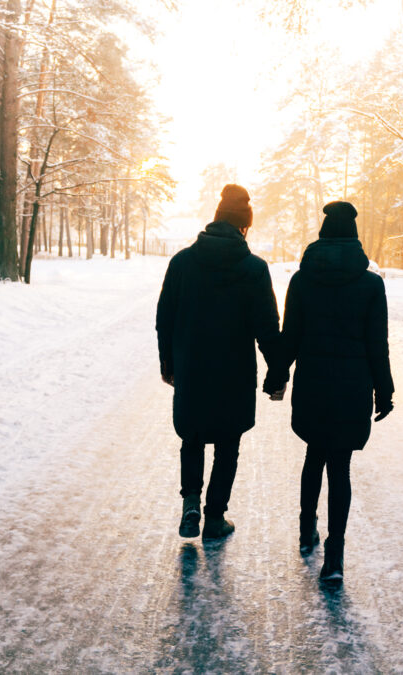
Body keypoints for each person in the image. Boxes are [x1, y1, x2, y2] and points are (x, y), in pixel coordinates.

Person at [264, 201, 394, 582]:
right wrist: (383, 392)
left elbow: (291, 338)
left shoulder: (302, 281)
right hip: (353, 389)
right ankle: (334, 557)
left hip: (314, 384)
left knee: (314, 455)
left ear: (322, 235)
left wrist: (276, 376)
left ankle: (307, 530)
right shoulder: (371, 284)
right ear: (354, 237)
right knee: (340, 468)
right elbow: (377, 345)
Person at [156, 184, 284, 540]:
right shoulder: (255, 269)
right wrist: (277, 373)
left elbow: (164, 317)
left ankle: (190, 504)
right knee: (228, 443)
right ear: (244, 225)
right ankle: (214, 517)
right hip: (234, 373)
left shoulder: (182, 262)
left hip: (192, 368)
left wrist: (168, 362)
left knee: (192, 438)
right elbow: (267, 328)